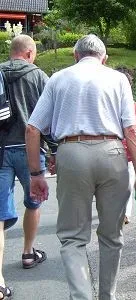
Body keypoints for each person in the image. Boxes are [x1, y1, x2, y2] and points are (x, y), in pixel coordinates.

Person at [25, 34, 136, 300]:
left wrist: (36, 174)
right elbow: (131, 130)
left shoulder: (58, 78)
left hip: (72, 152)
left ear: (75, 55)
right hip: (113, 152)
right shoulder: (118, 79)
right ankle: (107, 296)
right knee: (112, 234)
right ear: (105, 58)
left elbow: (32, 129)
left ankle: (81, 297)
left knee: (72, 237)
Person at [0, 35, 57, 297]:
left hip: (0, 151)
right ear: (30, 53)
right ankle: (27, 252)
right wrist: (55, 150)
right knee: (33, 202)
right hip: (30, 150)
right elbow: (50, 117)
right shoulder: (39, 77)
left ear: (12, 52)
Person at [115, 67, 136, 225]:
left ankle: (116, 212)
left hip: (109, 150)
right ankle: (125, 213)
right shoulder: (135, 106)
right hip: (128, 151)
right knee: (128, 184)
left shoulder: (106, 102)